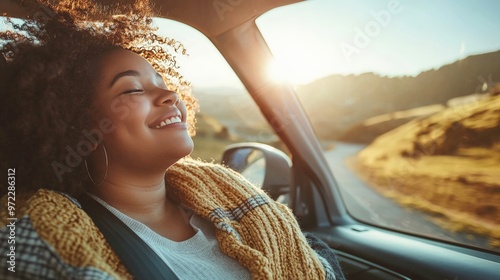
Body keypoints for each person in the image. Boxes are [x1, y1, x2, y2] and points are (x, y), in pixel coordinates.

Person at [0, 0, 345, 279]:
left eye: (162, 81)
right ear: (78, 129)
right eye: (133, 88)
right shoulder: (41, 234)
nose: (169, 94)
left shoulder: (229, 198)